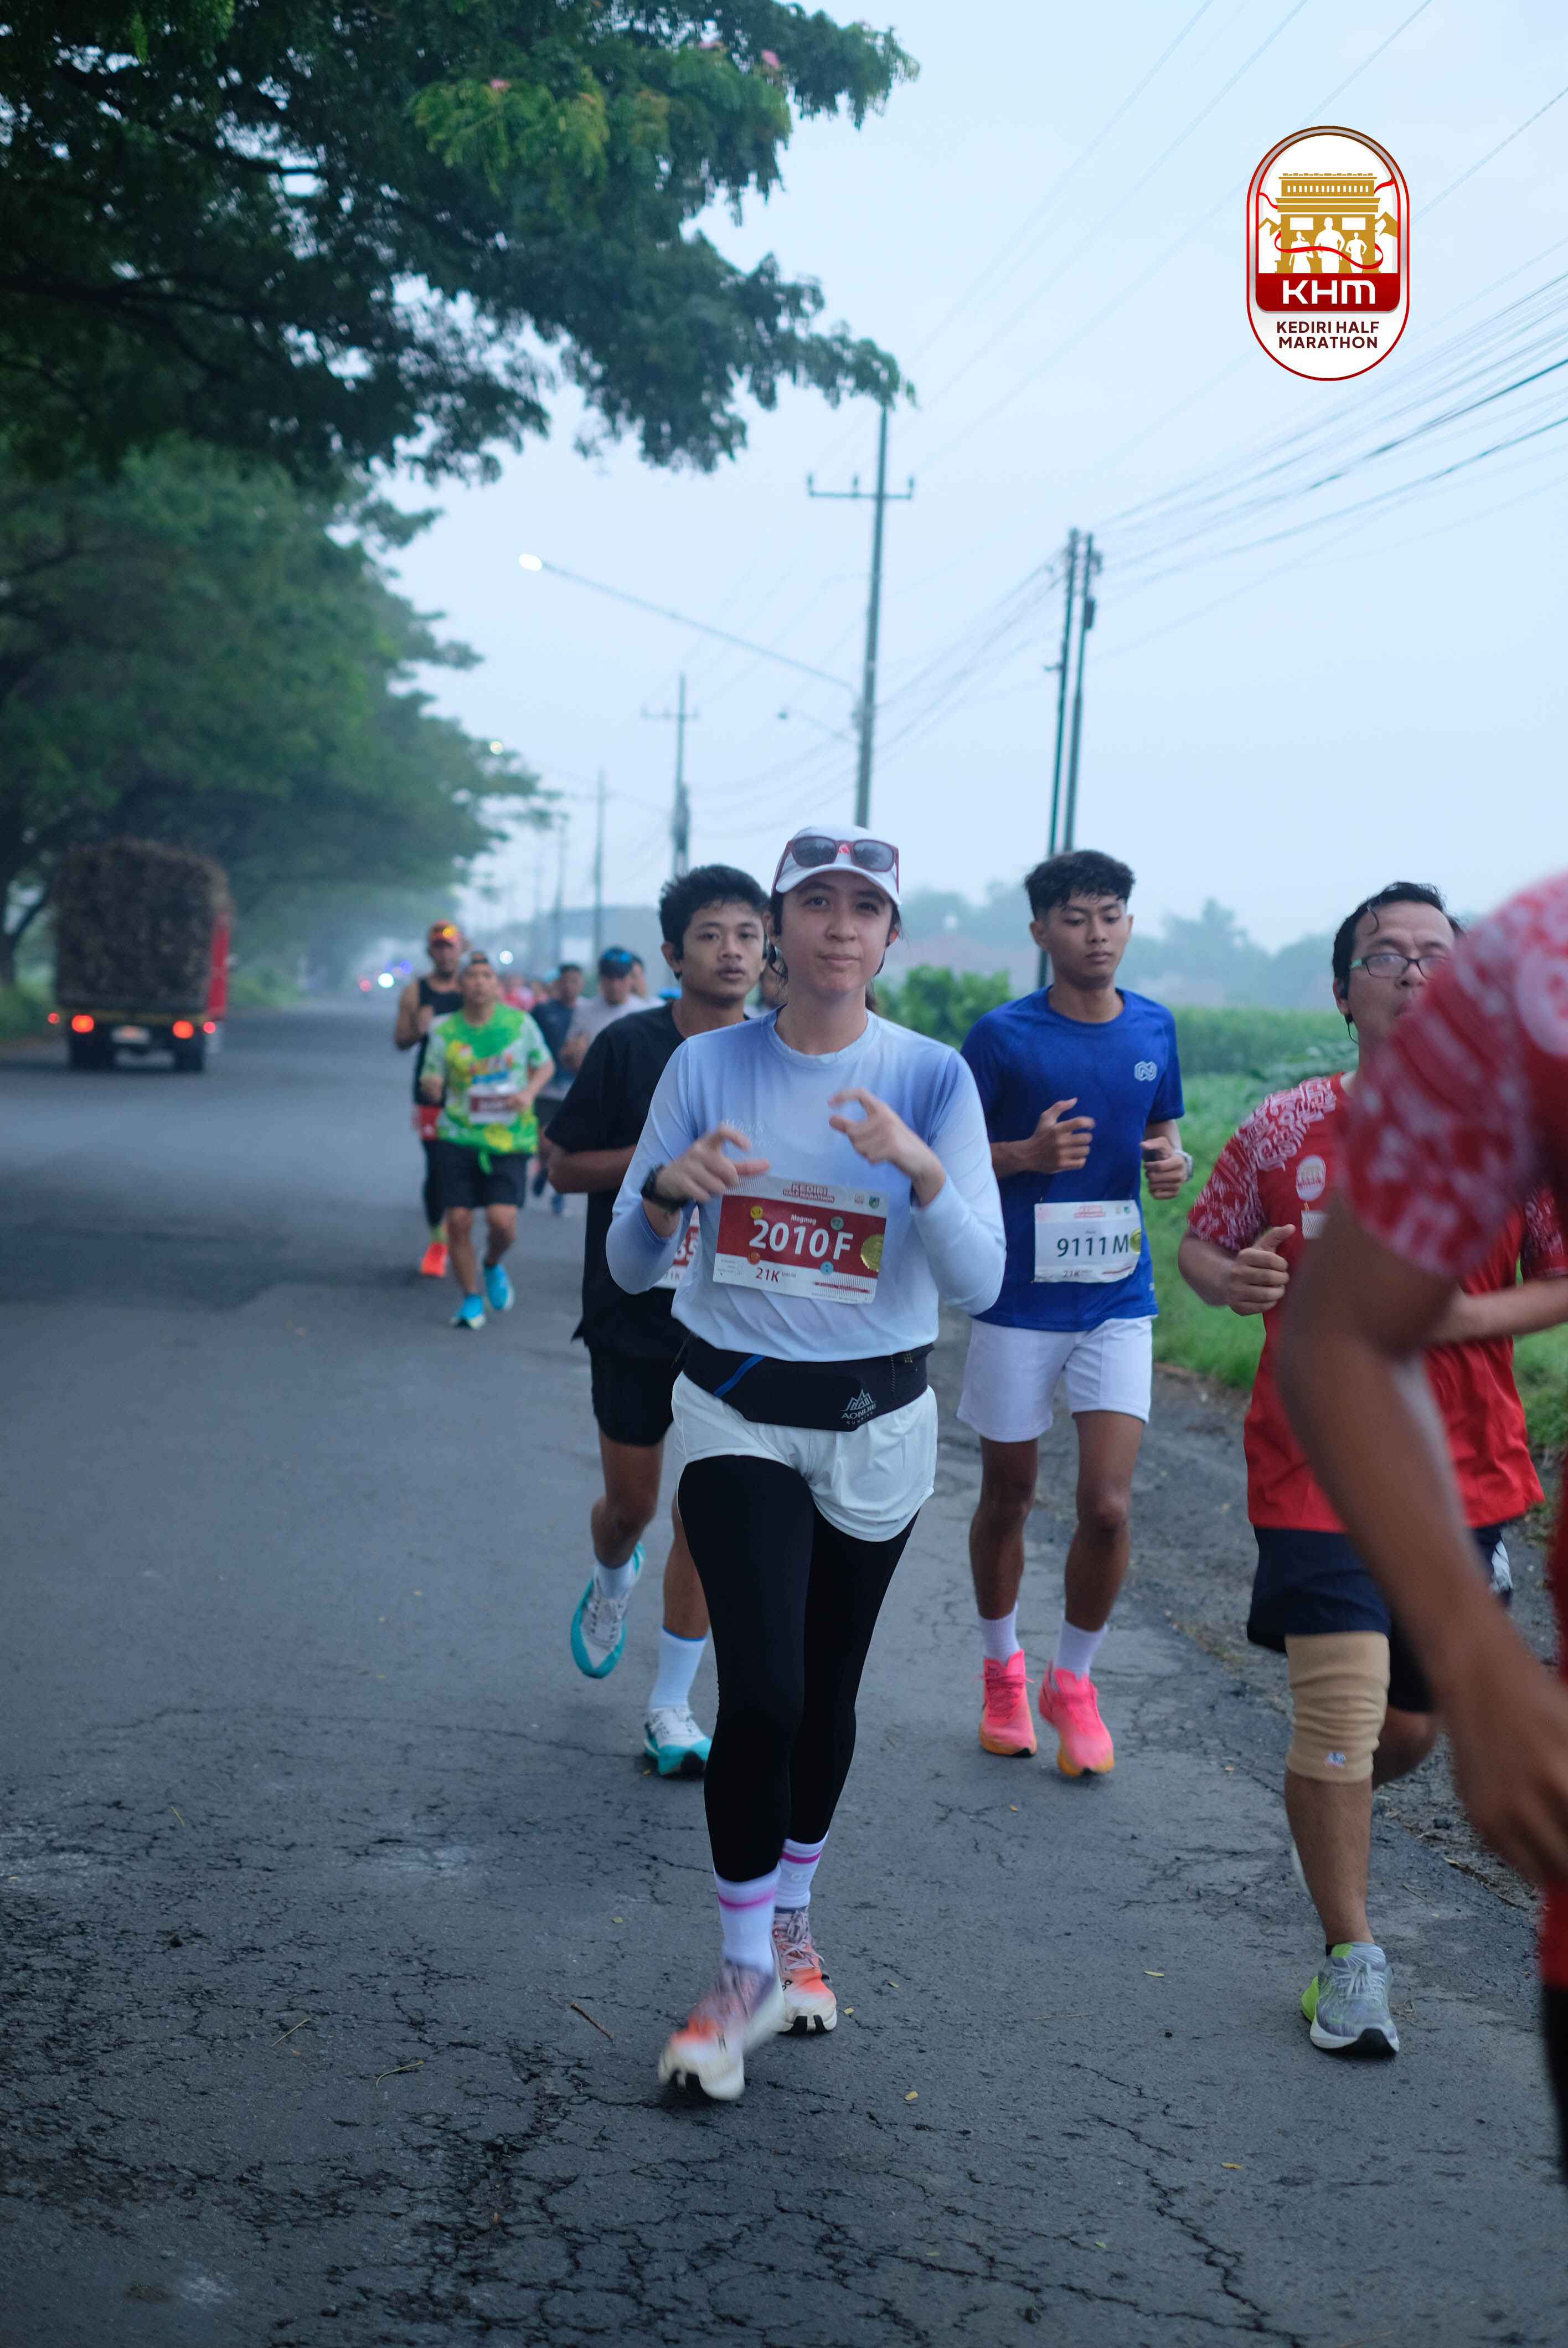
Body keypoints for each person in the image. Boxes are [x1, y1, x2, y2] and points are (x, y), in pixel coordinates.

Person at [606, 823, 1004, 2101]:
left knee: (827, 1689)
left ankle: (791, 1919)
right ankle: (737, 1974)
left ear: (890, 936)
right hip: (735, 1409)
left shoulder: (931, 1076)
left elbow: (981, 1280)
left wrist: (922, 1171)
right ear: (779, 925)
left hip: (878, 1422)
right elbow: (628, 1260)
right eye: (816, 902)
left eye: (863, 907)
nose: (839, 925)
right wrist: (667, 1190)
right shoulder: (707, 1064)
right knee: (765, 1694)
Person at [1181, 883, 1568, 2059]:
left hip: (1466, 1469)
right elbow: (1203, 1241)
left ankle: (1331, 1785)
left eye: (1434, 955)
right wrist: (1231, 1278)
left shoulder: (1519, 1137)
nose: (1410, 973)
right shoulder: (1285, 1125)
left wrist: (1466, 1315)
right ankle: (1352, 1957)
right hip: (1316, 1457)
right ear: (1343, 992)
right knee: (1343, 1712)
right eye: (1384, 955)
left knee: (1404, 1732)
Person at [958, 851, 1189, 1773]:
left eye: (1111, 915)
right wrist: (1026, 1154)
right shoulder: (1001, 1037)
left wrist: (1171, 1162)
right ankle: (1002, 1672)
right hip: (1017, 1299)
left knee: (1107, 1506)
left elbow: (1161, 1131)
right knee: (1009, 1496)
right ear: (1040, 931)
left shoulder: (1155, 1025)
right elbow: (945, 1158)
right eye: (1076, 918)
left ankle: (1073, 1681)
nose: (1097, 934)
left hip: (1116, 1297)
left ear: (1128, 922)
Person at [546, 867, 769, 1776]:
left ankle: (671, 1705)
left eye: (748, 935)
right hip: (633, 1306)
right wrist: (662, 1171)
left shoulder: (778, 1054)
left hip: (735, 1315)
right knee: (633, 1508)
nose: (732, 952)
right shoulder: (627, 1045)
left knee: (704, 1513)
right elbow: (561, 1167)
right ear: (673, 955)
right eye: (711, 936)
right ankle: (612, 1576)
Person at [419, 952, 553, 1330]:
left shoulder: (520, 1024)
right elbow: (431, 1079)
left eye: (486, 975)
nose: (479, 981)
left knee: (502, 1222)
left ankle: (492, 1263)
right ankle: (470, 1299)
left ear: (497, 985)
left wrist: (529, 1093)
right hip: (457, 1135)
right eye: (472, 976)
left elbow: (545, 1064)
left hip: (509, 1138)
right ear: (461, 985)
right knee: (458, 1220)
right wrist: (432, 1087)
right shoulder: (443, 1030)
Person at [393, 920, 465, 1277]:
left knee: (465, 1165)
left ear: (461, 950)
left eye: (450, 947)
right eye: (438, 947)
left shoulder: (474, 988)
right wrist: (418, 1030)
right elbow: (400, 1040)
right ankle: (438, 1239)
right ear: (429, 952)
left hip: (471, 1091)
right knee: (437, 1166)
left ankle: (460, 1231)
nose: (445, 954)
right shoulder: (415, 992)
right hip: (430, 1091)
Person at [529, 965, 584, 1215]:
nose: (570, 986)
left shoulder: (587, 1012)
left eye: (575, 981)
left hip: (576, 1088)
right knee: (545, 1143)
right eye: (566, 981)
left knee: (568, 1145)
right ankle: (544, 1169)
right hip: (546, 1086)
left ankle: (559, 1195)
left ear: (581, 984)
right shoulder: (543, 1010)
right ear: (558, 984)